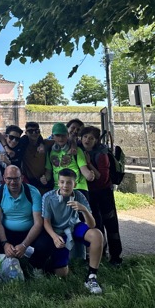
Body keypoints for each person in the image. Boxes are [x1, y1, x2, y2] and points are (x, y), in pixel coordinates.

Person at [41, 168, 104, 294]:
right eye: (62, 182)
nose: (65, 185)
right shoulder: (48, 197)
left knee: (97, 235)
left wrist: (84, 210)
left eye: (69, 182)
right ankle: (50, 261)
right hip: (58, 233)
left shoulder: (79, 196)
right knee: (61, 274)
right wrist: (54, 237)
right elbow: (46, 222)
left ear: (74, 184)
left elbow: (92, 225)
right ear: (58, 183)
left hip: (74, 227)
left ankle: (91, 277)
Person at [0, 166, 54, 275]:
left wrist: (24, 245)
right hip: (8, 233)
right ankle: (2, 260)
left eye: (16, 178)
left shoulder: (33, 192)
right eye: (9, 178)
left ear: (22, 178)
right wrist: (5, 243)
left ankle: (35, 265)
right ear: (4, 178)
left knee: (46, 242)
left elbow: (38, 223)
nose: (13, 182)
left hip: (29, 231)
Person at [81, 126, 123, 266]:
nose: (87, 140)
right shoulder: (79, 150)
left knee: (110, 225)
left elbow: (103, 179)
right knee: (96, 225)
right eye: (85, 137)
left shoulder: (102, 154)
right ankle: (101, 254)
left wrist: (88, 164)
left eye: (91, 138)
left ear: (96, 140)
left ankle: (116, 257)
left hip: (104, 194)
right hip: (90, 195)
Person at [44, 122, 94, 200]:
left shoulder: (76, 150)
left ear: (67, 135)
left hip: (77, 188)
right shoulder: (50, 151)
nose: (61, 138)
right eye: (58, 135)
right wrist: (45, 178)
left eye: (63, 135)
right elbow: (48, 172)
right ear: (53, 136)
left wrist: (89, 175)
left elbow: (83, 168)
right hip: (58, 188)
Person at [18, 122, 53, 194]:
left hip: (45, 182)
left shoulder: (46, 144)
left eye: (37, 131)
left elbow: (60, 141)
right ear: (26, 132)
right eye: (30, 131)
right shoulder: (22, 145)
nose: (34, 133)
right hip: (30, 183)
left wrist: (73, 144)